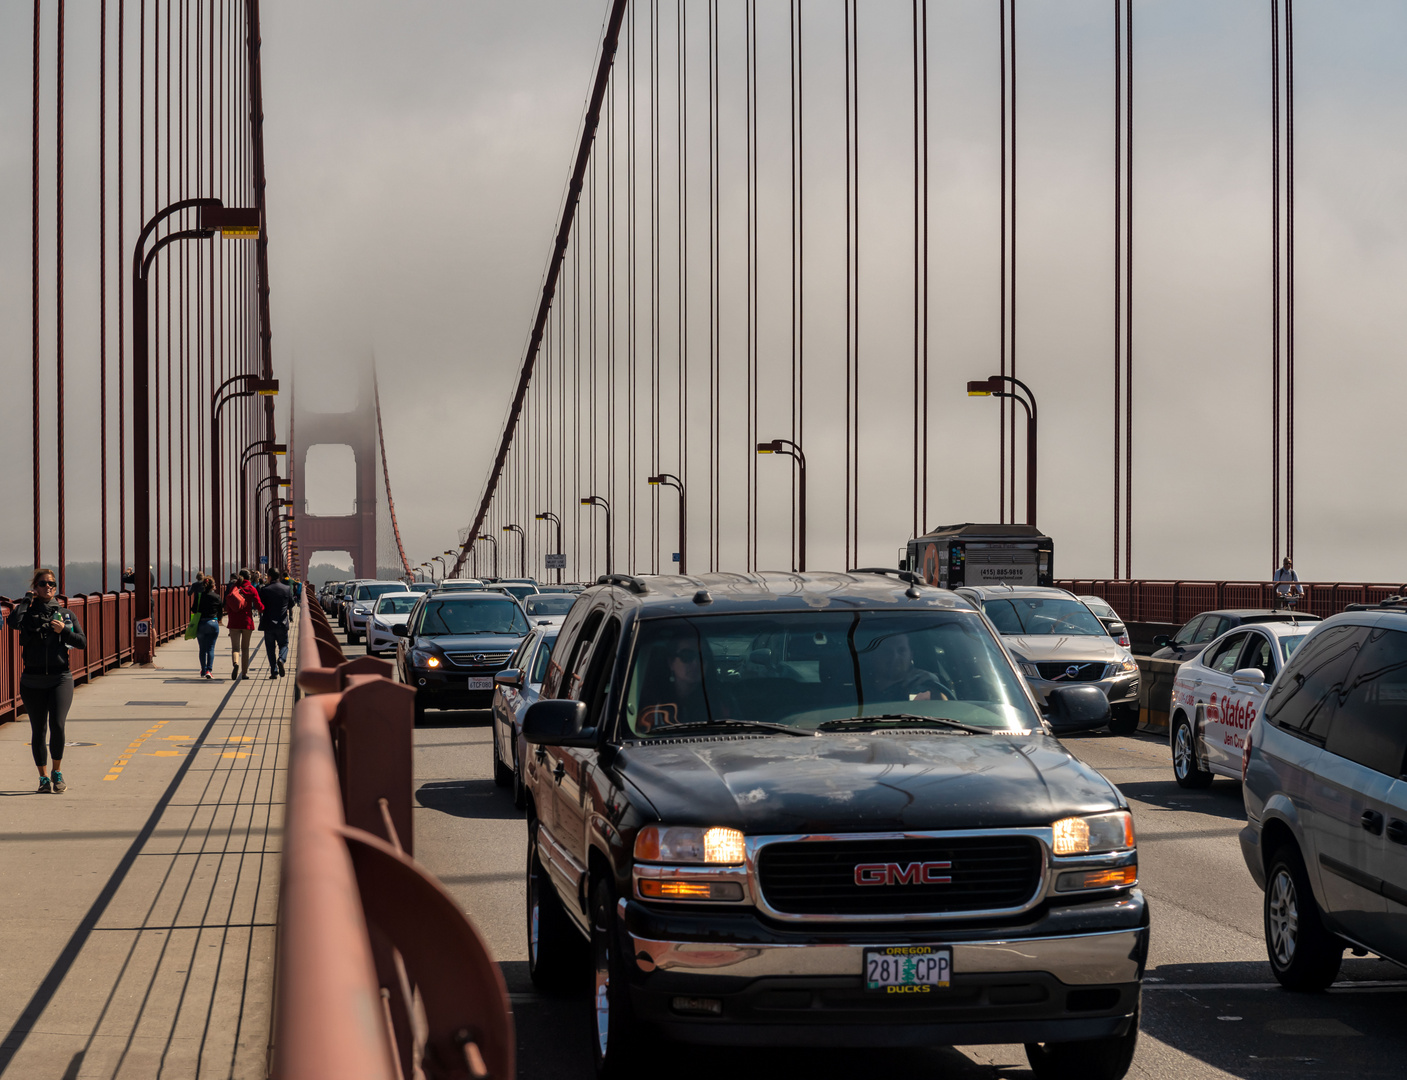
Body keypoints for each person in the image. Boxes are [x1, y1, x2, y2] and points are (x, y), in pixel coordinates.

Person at [6, 569, 86, 793]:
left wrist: (64, 632)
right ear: (35, 587)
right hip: (32, 679)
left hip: (61, 677)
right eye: (42, 584)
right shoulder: (27, 613)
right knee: (38, 730)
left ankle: (57, 772)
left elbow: (82, 642)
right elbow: (13, 622)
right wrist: (26, 600)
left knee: (57, 725)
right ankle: (42, 778)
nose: (48, 587)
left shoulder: (66, 614)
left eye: (51, 584)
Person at [861, 632, 951, 704]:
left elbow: (949, 718)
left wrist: (935, 689)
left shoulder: (926, 688)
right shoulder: (856, 691)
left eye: (901, 650)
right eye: (887, 651)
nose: (895, 657)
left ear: (911, 655)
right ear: (873, 656)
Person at [224, 569, 264, 680]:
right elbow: (259, 606)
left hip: (234, 622)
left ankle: (235, 663)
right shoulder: (251, 589)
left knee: (235, 648)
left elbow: (228, 605)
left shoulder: (234, 588)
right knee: (245, 649)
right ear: (249, 578)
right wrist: (266, 610)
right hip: (247, 622)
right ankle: (244, 673)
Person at [257, 571, 294, 679]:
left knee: (270, 648)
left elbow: (260, 605)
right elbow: (291, 604)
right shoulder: (286, 589)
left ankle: (274, 671)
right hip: (282, 623)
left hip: (268, 624)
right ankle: (281, 659)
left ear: (269, 577)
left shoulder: (265, 589)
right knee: (284, 644)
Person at [191, 576, 223, 679]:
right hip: (213, 623)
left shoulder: (199, 596)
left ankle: (203, 670)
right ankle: (209, 670)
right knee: (211, 648)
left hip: (201, 623)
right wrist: (218, 618)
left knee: (202, 649)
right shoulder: (217, 596)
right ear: (213, 586)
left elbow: (194, 609)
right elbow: (220, 611)